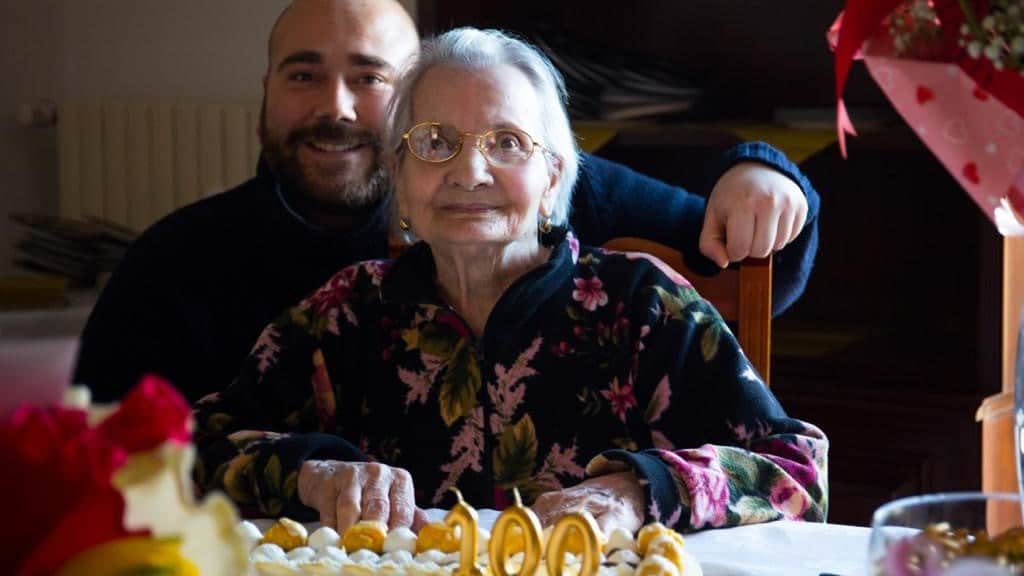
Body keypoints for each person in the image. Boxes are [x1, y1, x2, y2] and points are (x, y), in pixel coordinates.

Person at [193, 27, 828, 536]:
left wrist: (639, 491)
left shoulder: (641, 306)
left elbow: (798, 471)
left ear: (553, 177)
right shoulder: (346, 314)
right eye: (435, 141)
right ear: (400, 180)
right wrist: (309, 472)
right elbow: (192, 448)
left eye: (506, 142)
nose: (470, 172)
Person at [74, 0, 819, 403]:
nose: (335, 107)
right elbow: (117, 457)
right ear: (266, 93)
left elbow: (758, 264)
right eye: (303, 76)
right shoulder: (177, 260)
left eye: (369, 77)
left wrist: (762, 172)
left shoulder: (518, 186)